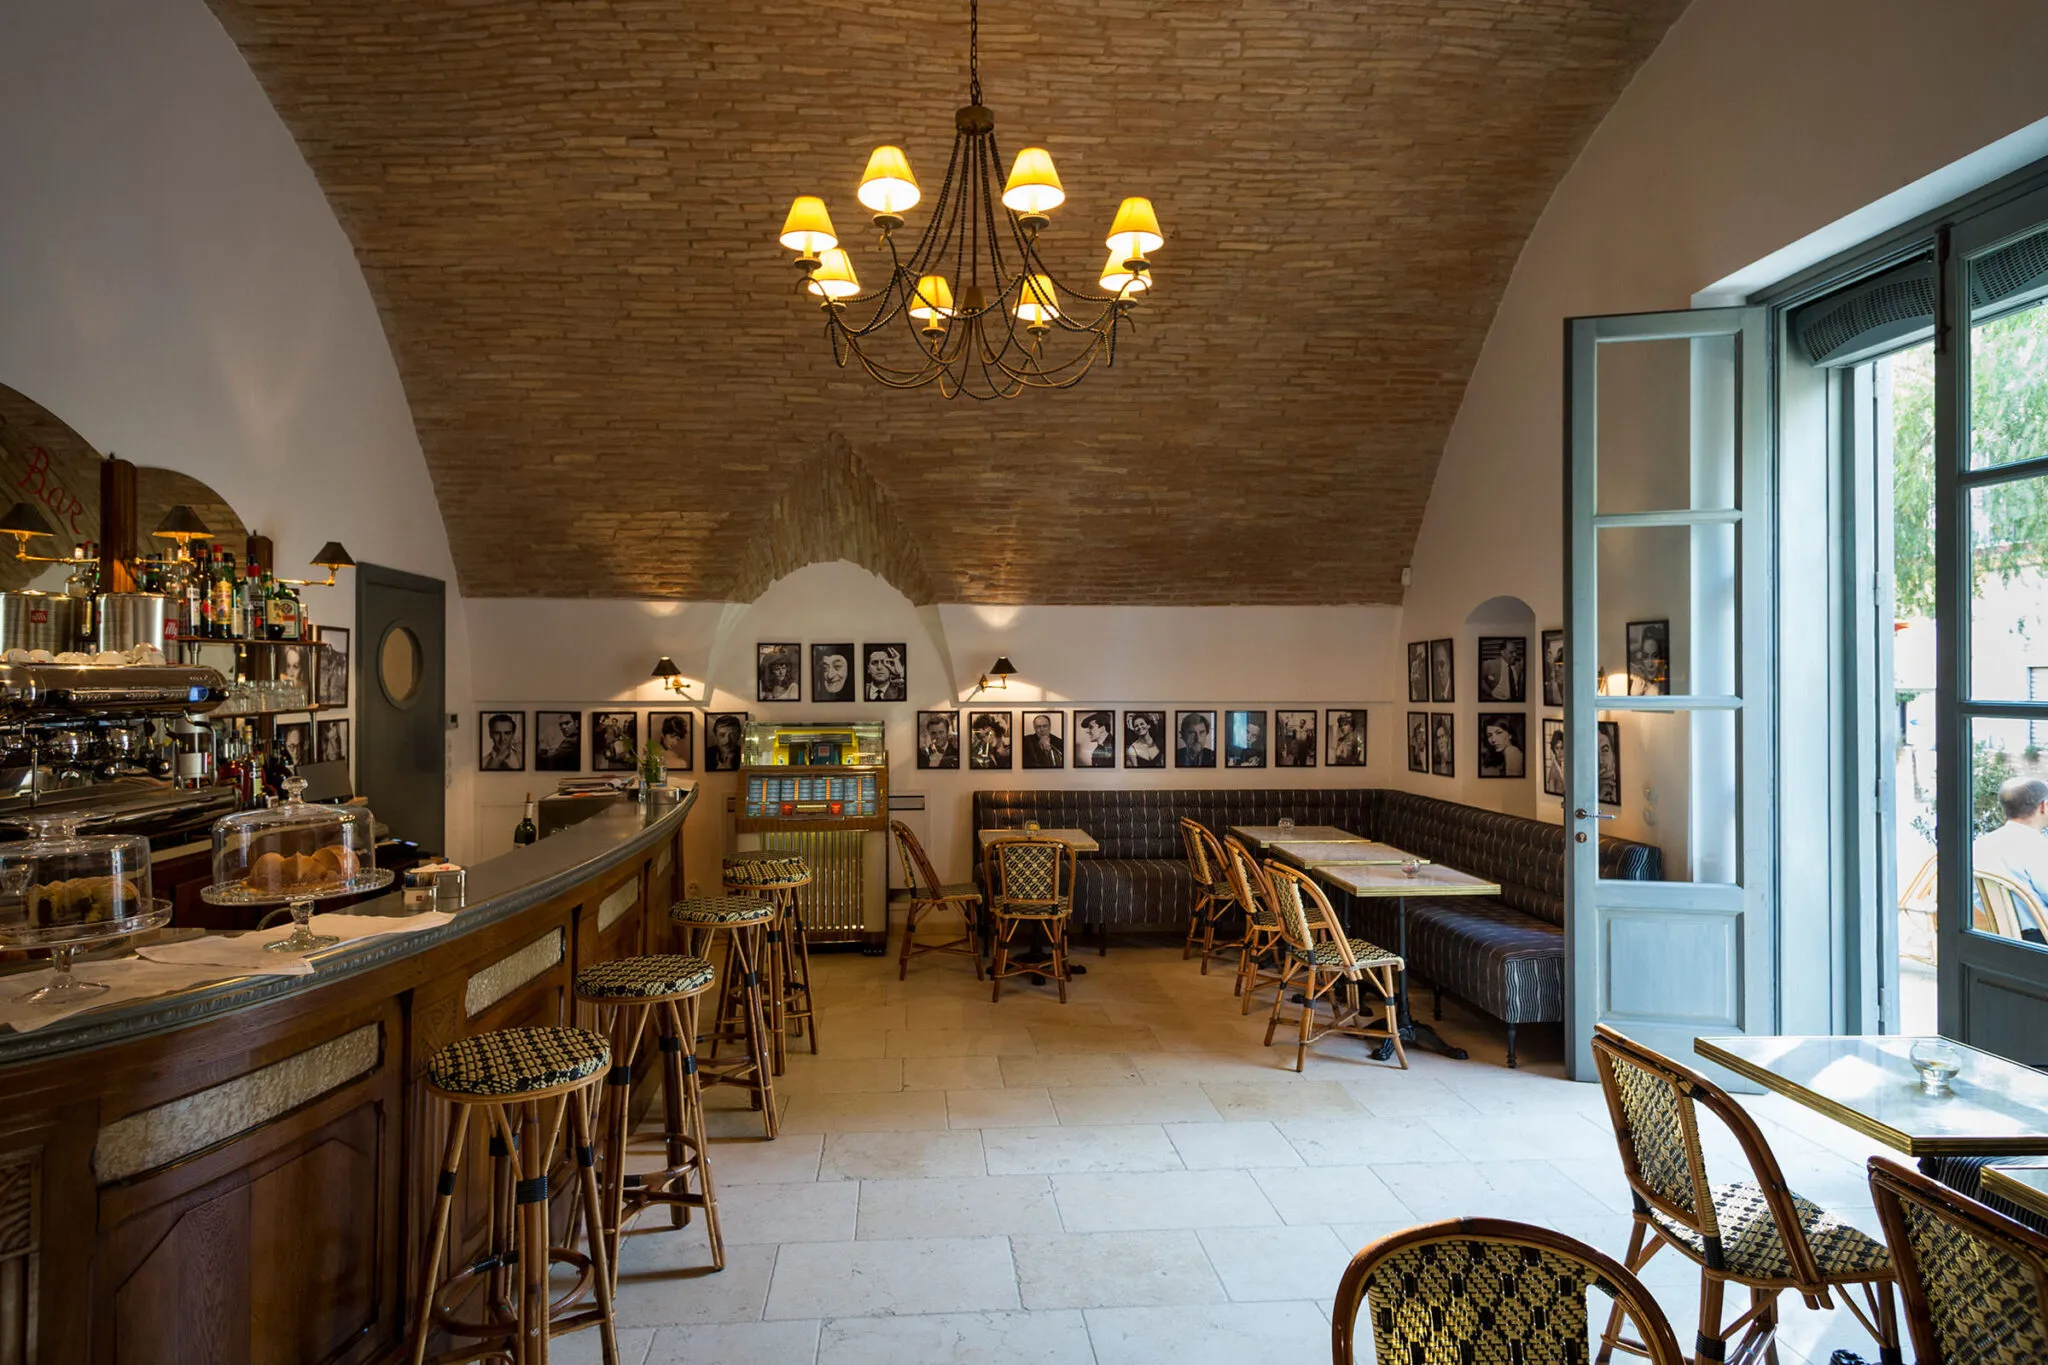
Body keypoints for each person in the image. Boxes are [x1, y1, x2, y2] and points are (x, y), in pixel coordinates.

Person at [1973, 778, 2048, 931]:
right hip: (2039, 942)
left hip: (2002, 938)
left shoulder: (1979, 845)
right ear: (2043, 806)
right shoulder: (2037, 847)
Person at [1544, 725, 1566, 795]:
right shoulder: (1553, 771)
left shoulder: (1566, 765)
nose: (1560, 752)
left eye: (1562, 748)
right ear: (1553, 749)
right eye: (1557, 748)